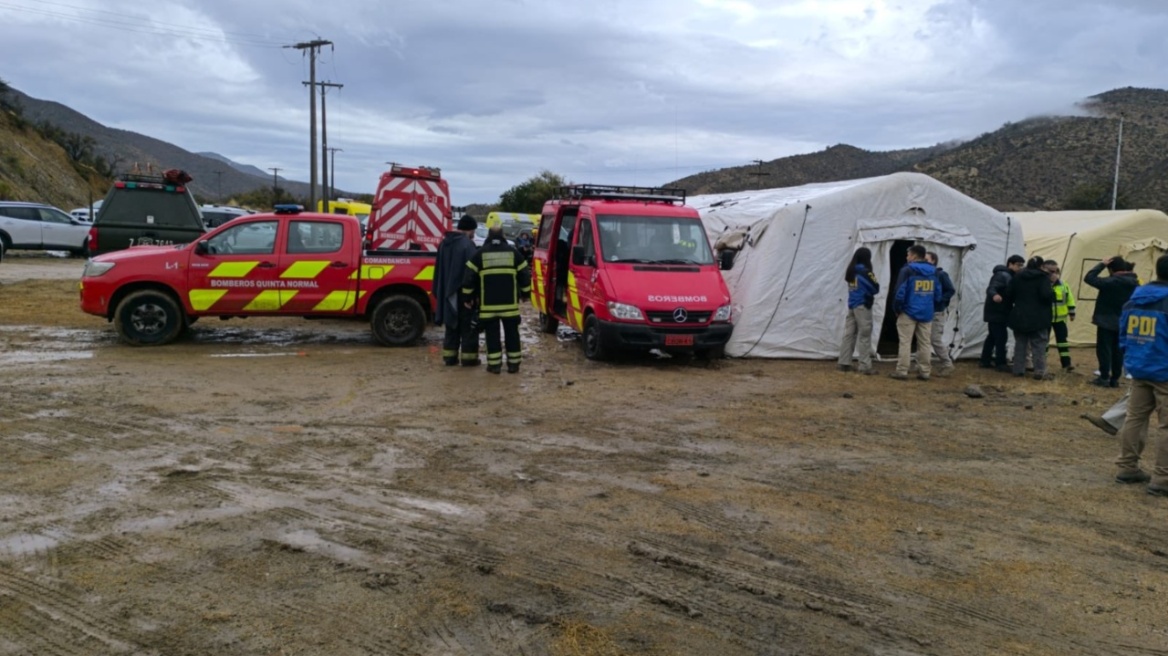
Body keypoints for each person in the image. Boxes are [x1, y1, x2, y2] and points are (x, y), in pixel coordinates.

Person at [1112, 254, 1168, 495]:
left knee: (1135, 418)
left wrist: (1132, 357)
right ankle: (1162, 479)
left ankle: (1127, 467)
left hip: (1139, 367)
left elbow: (1122, 333)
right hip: (1164, 370)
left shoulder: (1135, 298)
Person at [462, 215, 532, 374]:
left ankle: (494, 366)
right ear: (503, 236)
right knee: (512, 335)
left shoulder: (480, 254)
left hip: (488, 307)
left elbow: (468, 277)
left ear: (488, 236)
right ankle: (513, 365)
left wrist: (467, 298)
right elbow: (525, 275)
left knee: (492, 336)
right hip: (510, 306)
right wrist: (526, 294)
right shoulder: (514, 253)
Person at [1085, 256, 1141, 387]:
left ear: (1111, 269)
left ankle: (1104, 377)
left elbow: (1089, 278)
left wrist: (1101, 265)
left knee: (1104, 349)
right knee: (1118, 351)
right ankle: (1115, 379)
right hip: (1125, 321)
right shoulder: (1135, 283)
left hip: (1106, 320)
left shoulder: (1110, 282)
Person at [434, 214, 480, 366]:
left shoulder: (444, 243)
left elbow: (438, 270)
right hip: (464, 295)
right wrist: (472, 296)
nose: (474, 234)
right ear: (469, 230)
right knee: (468, 327)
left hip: (447, 293)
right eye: (473, 230)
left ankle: (449, 358)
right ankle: (469, 359)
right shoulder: (467, 245)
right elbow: (472, 274)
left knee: (451, 326)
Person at [890, 244, 941, 381]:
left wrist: (896, 309)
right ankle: (924, 371)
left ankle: (902, 370)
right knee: (924, 343)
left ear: (913, 256)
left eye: (908, 255)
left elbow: (899, 292)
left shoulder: (907, 270)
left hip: (908, 311)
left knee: (905, 342)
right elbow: (938, 293)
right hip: (926, 312)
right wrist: (932, 307)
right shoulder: (934, 271)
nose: (907, 257)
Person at [1003, 256, 1055, 380]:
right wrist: (1052, 288)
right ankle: (1040, 371)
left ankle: (1018, 369)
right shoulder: (1043, 278)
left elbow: (1008, 294)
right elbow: (1046, 296)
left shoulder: (1018, 277)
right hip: (1039, 317)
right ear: (1041, 266)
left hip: (1020, 315)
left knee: (1020, 343)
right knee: (1039, 344)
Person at [838, 247, 880, 374]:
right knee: (864, 335)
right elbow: (875, 287)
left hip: (852, 304)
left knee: (849, 334)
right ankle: (865, 365)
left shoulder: (851, 271)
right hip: (862, 305)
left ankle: (844, 362)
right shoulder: (866, 272)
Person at [980, 254, 1025, 371]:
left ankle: (985, 360)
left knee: (992, 337)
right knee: (1001, 337)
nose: (1020, 268)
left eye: (1021, 266)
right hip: (997, 311)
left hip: (998, 311)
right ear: (1010, 264)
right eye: (1018, 265)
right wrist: (995, 295)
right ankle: (1000, 363)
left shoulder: (1009, 275)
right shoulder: (1002, 275)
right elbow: (991, 288)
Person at [924, 251, 957, 377]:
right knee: (923, 339)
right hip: (925, 311)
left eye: (927, 260)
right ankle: (923, 362)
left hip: (937, 311)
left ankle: (947, 363)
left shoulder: (941, 275)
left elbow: (951, 290)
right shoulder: (923, 275)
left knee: (935, 339)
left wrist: (941, 300)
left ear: (933, 261)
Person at [1043, 259, 1076, 371]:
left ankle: (1066, 364)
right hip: (1045, 318)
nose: (1054, 274)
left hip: (1061, 319)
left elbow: (1069, 298)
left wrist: (1072, 311)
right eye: (1051, 271)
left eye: (1056, 271)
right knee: (1044, 341)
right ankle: (1042, 364)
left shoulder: (1063, 284)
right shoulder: (1042, 284)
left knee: (1062, 342)